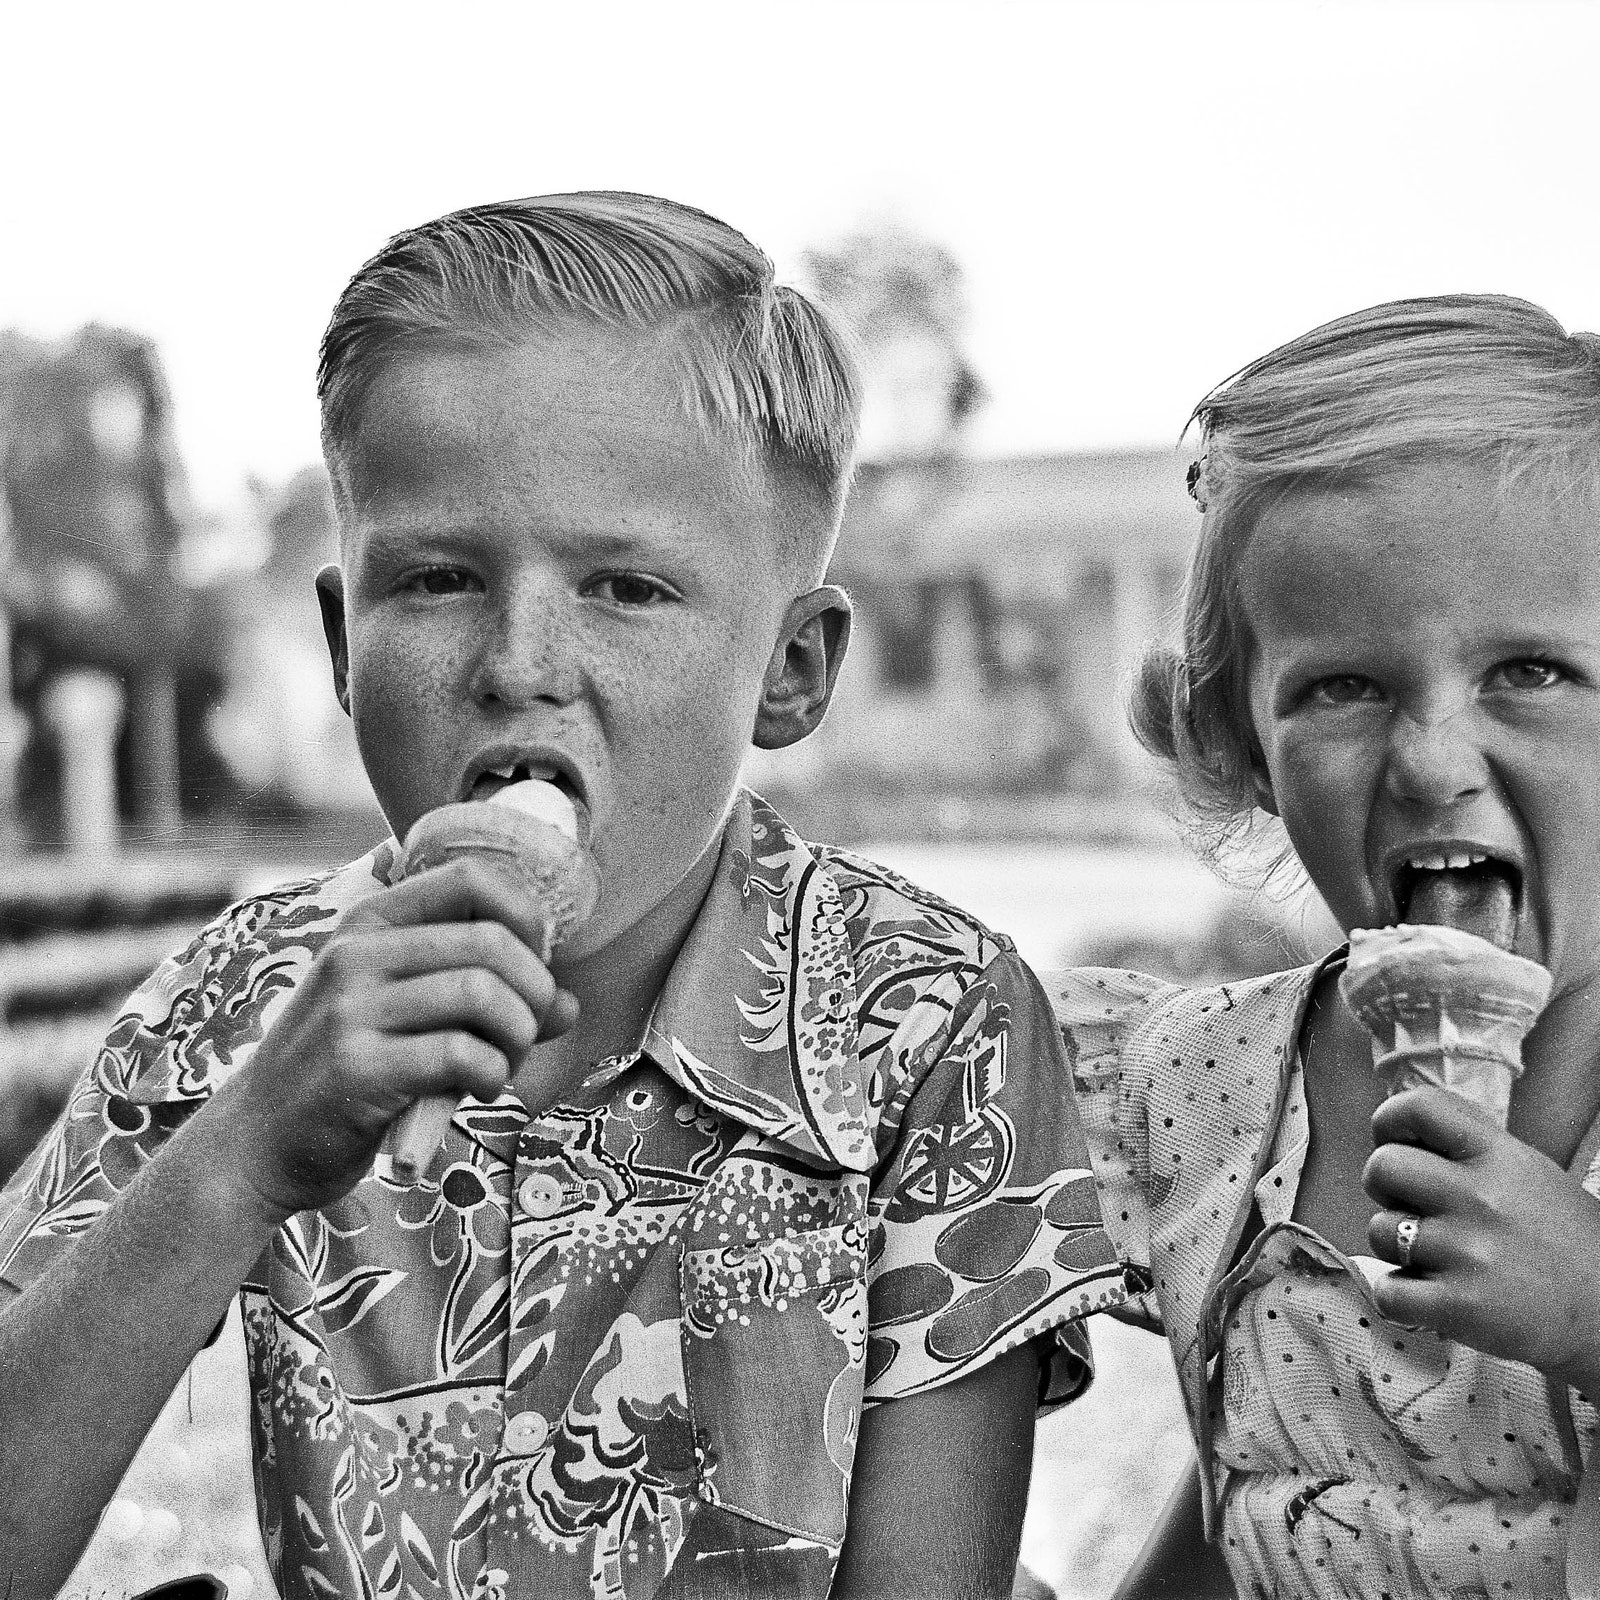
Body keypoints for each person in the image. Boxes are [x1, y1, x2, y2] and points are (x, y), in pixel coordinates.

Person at [0, 192, 1124, 1600]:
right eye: (439, 578)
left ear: (791, 671)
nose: (521, 661)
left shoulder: (930, 1025)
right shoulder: (249, 1000)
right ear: (344, 641)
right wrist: (241, 1156)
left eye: (627, 588)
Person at [1055, 295, 1600, 1600]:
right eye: (1342, 688)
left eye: (1528, 671)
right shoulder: (1195, 1085)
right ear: (1236, 743)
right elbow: (1283, 1482)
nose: (1432, 761)